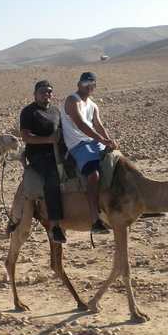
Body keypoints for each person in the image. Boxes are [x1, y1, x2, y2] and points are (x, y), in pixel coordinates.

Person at [61, 72, 117, 235]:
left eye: (92, 84)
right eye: (86, 82)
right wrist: (102, 139)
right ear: (79, 84)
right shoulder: (72, 100)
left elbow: (98, 125)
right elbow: (81, 125)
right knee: (93, 174)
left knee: (117, 162)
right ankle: (95, 220)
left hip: (94, 141)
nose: (89, 86)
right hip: (78, 143)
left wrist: (109, 140)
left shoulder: (92, 105)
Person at [20, 80, 66, 244]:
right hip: (38, 155)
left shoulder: (55, 111)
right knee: (52, 176)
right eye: (42, 91)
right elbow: (25, 136)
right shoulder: (29, 112)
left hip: (56, 151)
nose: (46, 93)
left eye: (49, 91)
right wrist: (48, 140)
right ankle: (54, 225)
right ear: (35, 94)